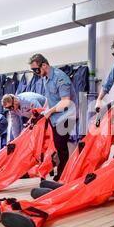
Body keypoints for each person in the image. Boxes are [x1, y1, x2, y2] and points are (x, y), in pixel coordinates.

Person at [28, 53, 76, 181]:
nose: (35, 72)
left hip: (67, 115)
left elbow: (66, 101)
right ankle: (62, 172)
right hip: (55, 116)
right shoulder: (45, 78)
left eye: (36, 69)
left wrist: (50, 111)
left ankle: (63, 175)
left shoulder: (60, 78)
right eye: (33, 70)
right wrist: (44, 111)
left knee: (61, 145)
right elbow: (49, 99)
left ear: (44, 65)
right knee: (58, 146)